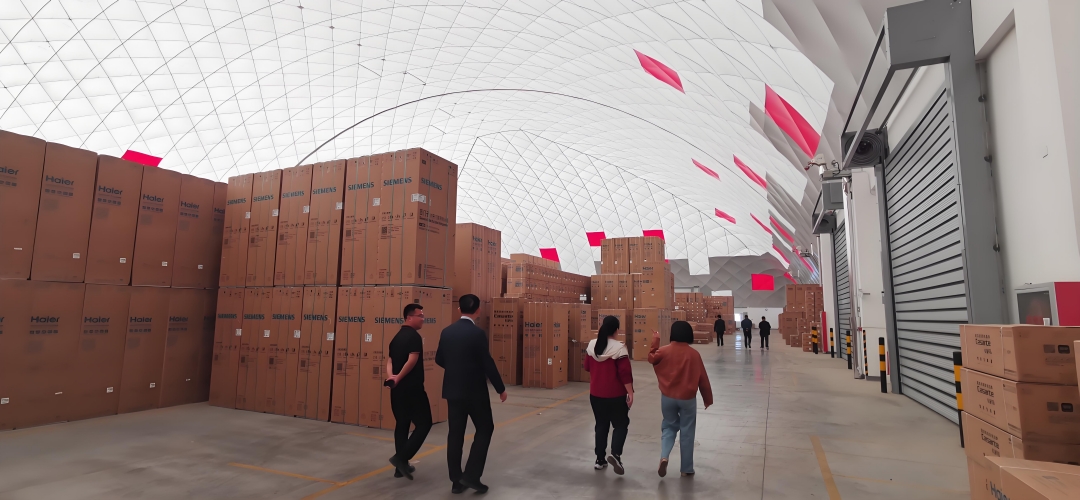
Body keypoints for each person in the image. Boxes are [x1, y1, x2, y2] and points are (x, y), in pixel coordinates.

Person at [435, 294, 507, 494]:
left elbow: (439, 359)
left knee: (455, 434)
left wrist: (455, 368)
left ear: (459, 310)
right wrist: (500, 388)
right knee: (485, 428)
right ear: (478, 311)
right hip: (475, 392)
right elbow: (487, 363)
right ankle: (472, 476)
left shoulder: (447, 332)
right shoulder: (477, 334)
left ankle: (456, 481)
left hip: (452, 390)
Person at [649, 321, 713, 478]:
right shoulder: (694, 354)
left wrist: (655, 340)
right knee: (687, 432)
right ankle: (686, 469)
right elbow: (703, 378)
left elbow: (651, 358)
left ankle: (664, 456)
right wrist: (707, 398)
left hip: (668, 398)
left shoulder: (663, 351)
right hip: (687, 399)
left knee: (669, 427)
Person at [385, 303, 433, 480]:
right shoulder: (414, 337)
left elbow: (389, 361)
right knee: (424, 423)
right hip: (412, 389)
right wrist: (399, 377)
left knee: (402, 423)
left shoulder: (396, 337)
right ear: (409, 317)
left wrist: (392, 377)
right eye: (420, 315)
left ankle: (400, 468)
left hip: (397, 390)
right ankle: (401, 458)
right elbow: (411, 361)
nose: (422, 319)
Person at [583, 315, 634, 475]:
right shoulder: (619, 348)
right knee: (620, 424)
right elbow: (625, 373)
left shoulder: (592, 345)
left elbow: (586, 367)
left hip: (596, 394)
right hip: (616, 395)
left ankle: (599, 459)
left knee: (601, 425)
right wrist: (630, 392)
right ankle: (616, 454)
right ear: (616, 330)